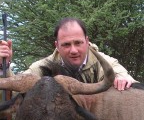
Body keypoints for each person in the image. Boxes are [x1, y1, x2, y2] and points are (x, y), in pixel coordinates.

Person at [0, 18, 136, 90]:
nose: (73, 50)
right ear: (57, 46)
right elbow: (15, 88)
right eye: (66, 44)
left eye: (78, 43)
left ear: (87, 41)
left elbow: (127, 79)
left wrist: (122, 79)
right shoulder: (43, 67)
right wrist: (3, 66)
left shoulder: (104, 63)